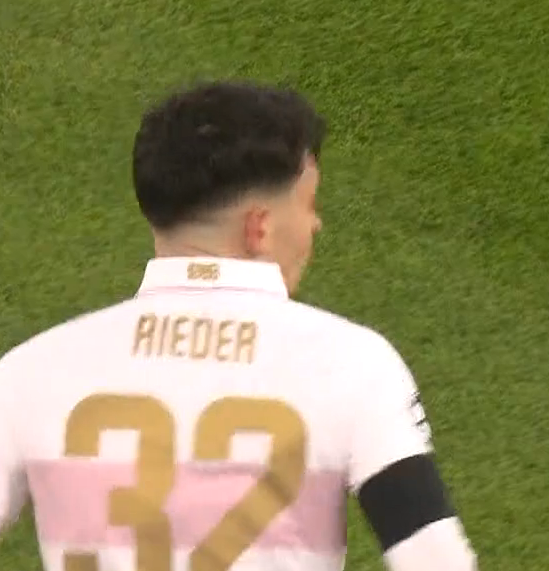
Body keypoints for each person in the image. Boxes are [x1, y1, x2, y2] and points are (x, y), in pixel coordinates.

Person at [0, 81, 478, 570]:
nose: (315, 225)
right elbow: (436, 559)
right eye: (308, 204)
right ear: (259, 228)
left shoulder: (31, 370)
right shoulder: (353, 364)